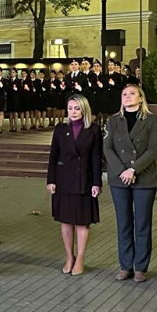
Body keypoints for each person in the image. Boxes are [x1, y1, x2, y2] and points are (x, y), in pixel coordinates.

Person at [104, 84, 157, 283]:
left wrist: (133, 169)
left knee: (142, 224)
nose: (127, 97)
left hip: (144, 177)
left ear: (140, 98)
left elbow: (153, 149)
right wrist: (122, 171)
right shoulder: (113, 121)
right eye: (124, 94)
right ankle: (125, 266)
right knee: (124, 223)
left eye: (131, 94)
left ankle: (141, 267)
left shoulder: (151, 120)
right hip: (119, 178)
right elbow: (108, 148)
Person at [46, 95, 102, 276]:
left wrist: (96, 182)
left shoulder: (93, 130)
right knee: (66, 221)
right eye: (70, 108)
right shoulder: (61, 129)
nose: (73, 112)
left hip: (85, 181)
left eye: (77, 108)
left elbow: (96, 158)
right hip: (64, 181)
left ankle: (81, 258)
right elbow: (53, 156)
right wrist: (51, 180)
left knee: (82, 222)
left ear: (84, 109)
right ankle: (69, 256)